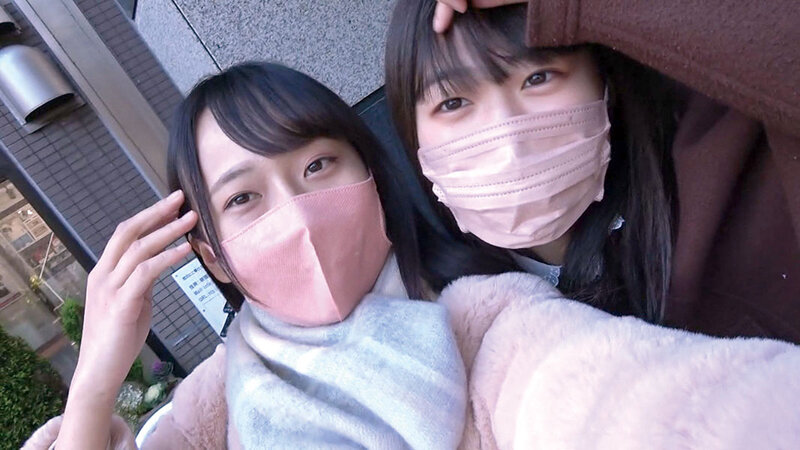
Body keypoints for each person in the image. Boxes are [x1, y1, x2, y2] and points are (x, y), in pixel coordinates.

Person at [27, 62, 468, 449]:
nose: (297, 214)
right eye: (242, 198)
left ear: (372, 175)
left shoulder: (480, 317)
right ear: (213, 257)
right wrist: (92, 386)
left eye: (316, 165)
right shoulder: (210, 407)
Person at [384, 0, 800, 342]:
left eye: (539, 77)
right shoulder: (445, 324)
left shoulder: (726, 174)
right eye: (453, 103)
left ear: (606, 84)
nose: (511, 139)